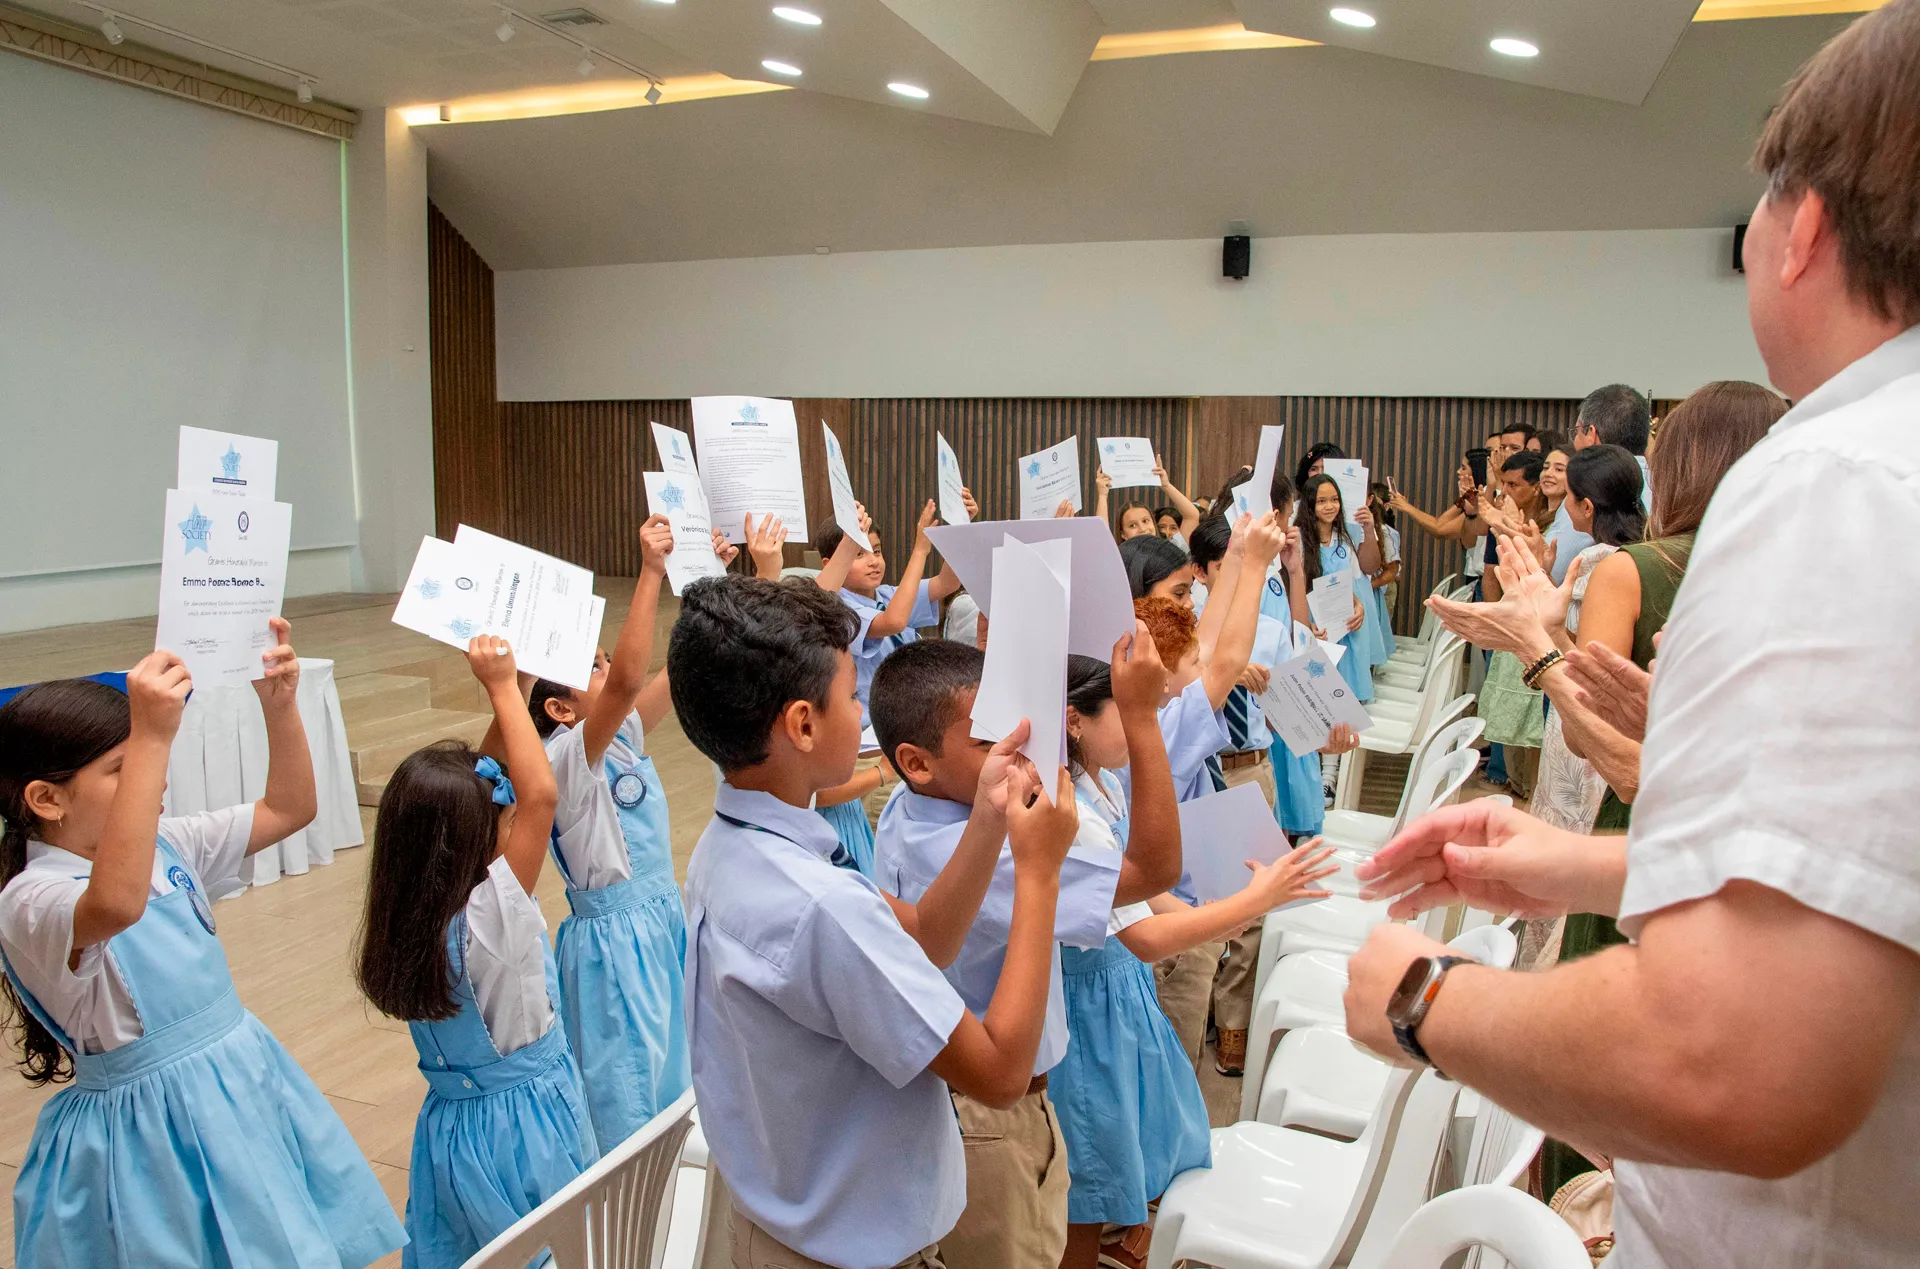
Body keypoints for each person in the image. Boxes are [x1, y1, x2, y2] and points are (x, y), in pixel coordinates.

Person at [1344, 7, 1920, 1264]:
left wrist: (1419, 996)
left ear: (1803, 226)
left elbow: (1742, 1059)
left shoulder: (1841, 481)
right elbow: (1876, 891)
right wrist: (1594, 867)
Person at [670, 575, 1079, 1269]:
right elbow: (1002, 1072)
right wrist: (1037, 874)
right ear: (803, 724)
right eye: (852, 696)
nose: (862, 713)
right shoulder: (823, 906)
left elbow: (926, 935)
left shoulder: (731, 844)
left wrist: (984, 815)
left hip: (777, 1225)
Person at [0, 627, 404, 1269]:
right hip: (150, 1136)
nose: (154, 780)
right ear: (46, 800)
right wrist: (154, 735)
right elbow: (116, 903)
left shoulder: (169, 845)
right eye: (123, 769)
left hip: (236, 1083)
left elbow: (290, 807)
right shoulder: (32, 897)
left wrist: (278, 704)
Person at [870, 637, 1181, 1269]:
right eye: (989, 741)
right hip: (995, 1120)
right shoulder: (1005, 851)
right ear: (918, 761)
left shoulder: (910, 806)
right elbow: (1154, 868)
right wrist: (1143, 718)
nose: (1018, 750)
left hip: (962, 1107)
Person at [1055, 652, 1337, 1269]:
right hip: (1089, 1003)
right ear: (1075, 721)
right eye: (1128, 716)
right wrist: (1252, 901)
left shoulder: (1095, 781)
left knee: (1116, 1150)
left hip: (1116, 994)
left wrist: (1222, 913)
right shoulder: (1067, 810)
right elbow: (1145, 937)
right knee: (1090, 1176)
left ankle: (1123, 1244)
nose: (1140, 729)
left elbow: (1140, 894)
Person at [361, 635, 596, 1269]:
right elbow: (539, 794)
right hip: (524, 1126)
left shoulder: (413, 909)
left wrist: (515, 690)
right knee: (545, 1250)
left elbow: (483, 782)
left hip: (451, 1129)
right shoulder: (491, 911)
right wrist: (499, 688)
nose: (509, 814)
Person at [523, 515, 693, 1149]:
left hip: (659, 917)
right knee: (630, 1092)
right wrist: (650, 571)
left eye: (601, 661)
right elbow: (627, 680)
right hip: (615, 940)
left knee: (676, 1067)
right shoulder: (567, 757)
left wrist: (711, 584)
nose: (610, 671)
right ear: (560, 710)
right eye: (590, 668)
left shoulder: (619, 737)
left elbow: (667, 675)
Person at [813, 501, 964, 730]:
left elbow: (947, 583)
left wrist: (959, 528)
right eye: (858, 554)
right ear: (830, 564)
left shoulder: (888, 595)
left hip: (911, 717)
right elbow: (894, 621)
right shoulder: (836, 609)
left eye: (876, 551)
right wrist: (920, 550)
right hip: (869, 732)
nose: (873, 562)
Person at [1473, 450, 1553, 800]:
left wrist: (1501, 523)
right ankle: (1516, 786)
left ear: (1534, 488)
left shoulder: (1551, 522)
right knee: (1513, 730)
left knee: (1533, 727)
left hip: (1538, 630)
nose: (1506, 490)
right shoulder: (1515, 514)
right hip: (1511, 622)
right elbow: (1492, 570)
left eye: (1513, 484)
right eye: (1502, 483)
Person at [1294, 475, 1376, 703]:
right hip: (1317, 629)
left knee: (1349, 701)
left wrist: (1359, 607)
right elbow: (1295, 590)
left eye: (1334, 499)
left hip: (1346, 629)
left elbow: (1351, 584)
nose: (1330, 506)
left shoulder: (1343, 540)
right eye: (1321, 501)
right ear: (1309, 504)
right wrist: (1306, 625)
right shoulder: (1298, 541)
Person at [1571, 384, 1653, 513]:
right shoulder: (1670, 490)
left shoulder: (1589, 489)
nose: (1574, 441)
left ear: (1591, 434)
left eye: (1576, 431)